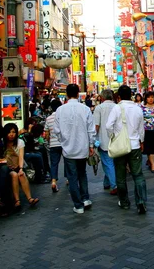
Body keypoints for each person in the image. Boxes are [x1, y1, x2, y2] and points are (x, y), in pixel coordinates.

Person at [53, 84, 95, 215]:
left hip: (68, 149)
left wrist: (63, 141)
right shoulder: (85, 109)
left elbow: (56, 130)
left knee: (72, 177)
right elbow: (91, 129)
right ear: (78, 94)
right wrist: (91, 145)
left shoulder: (60, 110)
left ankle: (78, 205)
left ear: (66, 94)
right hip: (83, 147)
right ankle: (85, 198)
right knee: (82, 173)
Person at [106, 85, 147, 214]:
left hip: (120, 147)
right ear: (131, 95)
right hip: (135, 145)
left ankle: (124, 202)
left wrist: (113, 136)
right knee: (138, 175)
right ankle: (141, 202)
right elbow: (141, 128)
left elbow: (108, 126)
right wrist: (142, 141)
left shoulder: (117, 108)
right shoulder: (138, 109)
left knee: (121, 176)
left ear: (118, 96)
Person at [3, 123, 39, 209]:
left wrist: (21, 168)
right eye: (9, 132)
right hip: (7, 168)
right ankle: (17, 201)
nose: (11, 134)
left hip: (18, 166)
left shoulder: (20, 142)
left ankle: (30, 199)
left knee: (21, 174)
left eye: (13, 132)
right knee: (14, 175)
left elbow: (21, 157)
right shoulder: (2, 143)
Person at [93, 89, 117, 195]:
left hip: (103, 140)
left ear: (102, 98)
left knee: (107, 163)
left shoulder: (99, 108)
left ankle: (113, 185)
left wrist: (92, 140)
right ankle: (107, 182)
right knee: (111, 163)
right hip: (116, 140)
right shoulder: (117, 107)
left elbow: (96, 126)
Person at [44, 99, 65, 192]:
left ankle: (53, 181)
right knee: (67, 161)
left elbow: (46, 134)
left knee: (54, 164)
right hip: (64, 143)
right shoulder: (63, 117)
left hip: (53, 144)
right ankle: (68, 178)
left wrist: (49, 141)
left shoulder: (48, 119)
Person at [141, 91, 154, 173]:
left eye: (152, 97)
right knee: (149, 148)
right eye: (148, 97)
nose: (150, 99)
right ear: (145, 98)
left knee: (153, 148)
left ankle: (150, 161)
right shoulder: (142, 108)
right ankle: (153, 164)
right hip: (146, 131)